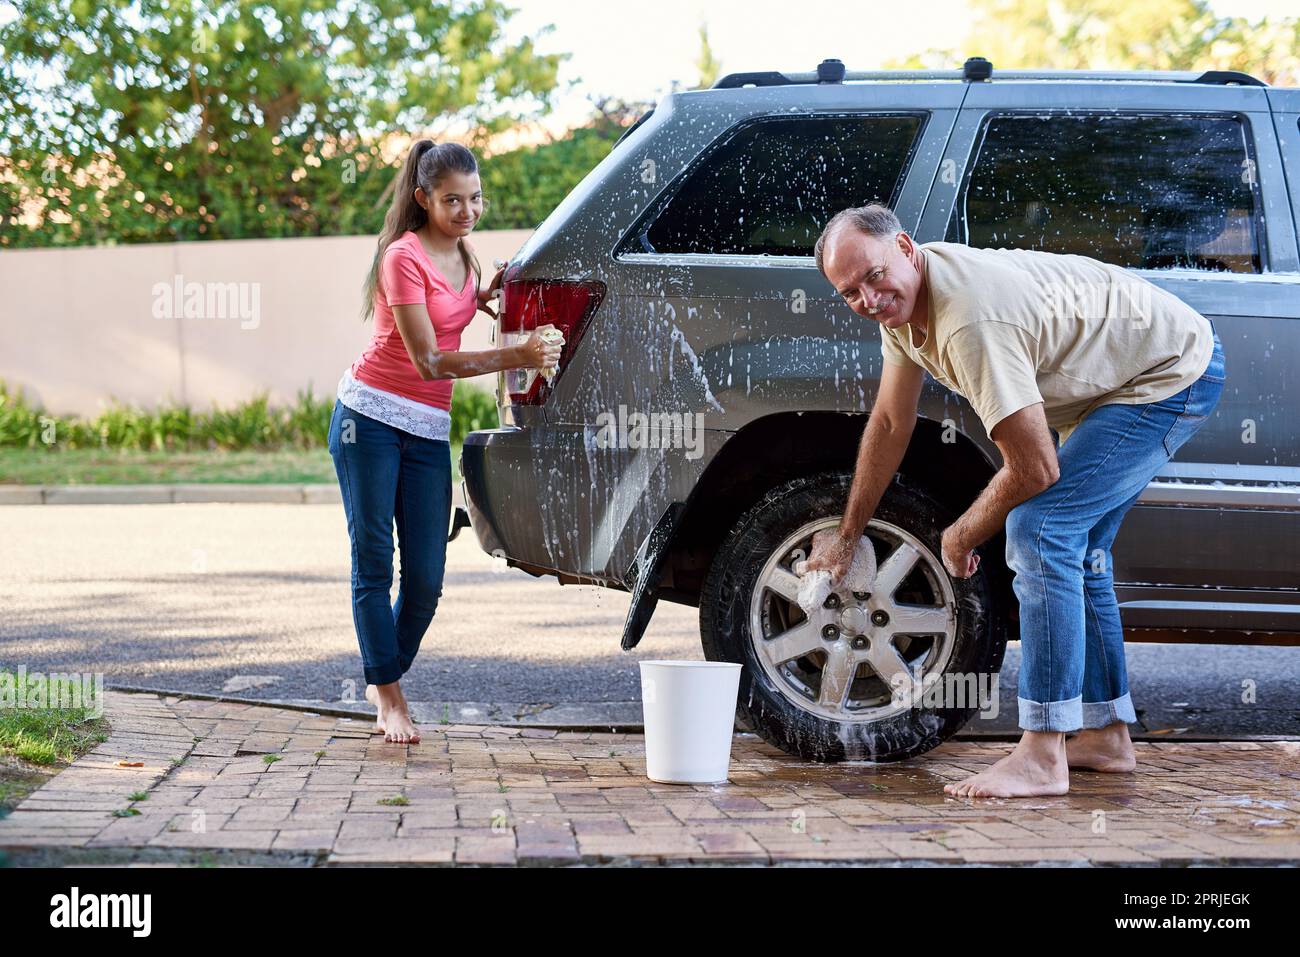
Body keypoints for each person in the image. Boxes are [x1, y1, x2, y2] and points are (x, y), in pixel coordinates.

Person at [804, 203, 1225, 797]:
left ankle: (1042, 754)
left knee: (1040, 529)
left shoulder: (970, 321)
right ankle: (1105, 736)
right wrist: (848, 535)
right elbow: (892, 420)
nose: (868, 299)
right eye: (849, 292)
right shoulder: (900, 311)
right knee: (1078, 549)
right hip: (1112, 383)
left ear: (904, 248)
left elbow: (1034, 468)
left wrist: (961, 534)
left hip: (1167, 373)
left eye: (873, 277)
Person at [328, 139, 561, 743]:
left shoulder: (467, 259)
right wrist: (520, 353)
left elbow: (456, 314)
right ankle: (389, 698)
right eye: (452, 200)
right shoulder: (401, 258)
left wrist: (490, 298)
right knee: (375, 561)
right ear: (423, 198)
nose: (466, 211)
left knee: (427, 577)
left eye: (475, 198)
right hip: (370, 420)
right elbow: (431, 360)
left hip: (427, 430)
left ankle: (381, 670)